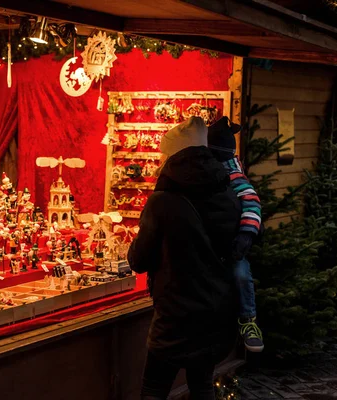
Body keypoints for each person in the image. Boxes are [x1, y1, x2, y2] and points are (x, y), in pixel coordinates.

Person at [128, 117, 241, 400]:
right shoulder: (227, 191)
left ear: (173, 156)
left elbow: (138, 260)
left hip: (176, 316)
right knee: (202, 385)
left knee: (154, 389)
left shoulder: (163, 200)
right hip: (216, 311)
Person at [208, 116, 264, 352]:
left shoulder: (235, 177)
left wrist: (246, 235)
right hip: (210, 241)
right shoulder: (205, 173)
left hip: (233, 244)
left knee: (241, 274)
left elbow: (252, 203)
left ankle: (248, 319)